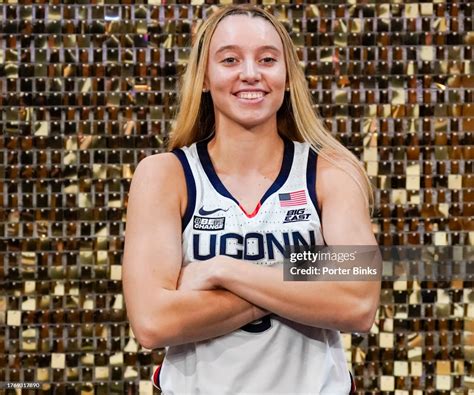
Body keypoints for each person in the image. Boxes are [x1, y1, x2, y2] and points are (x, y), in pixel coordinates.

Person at [122, 4, 380, 394]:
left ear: (287, 76)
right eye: (229, 59)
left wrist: (223, 270)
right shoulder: (165, 176)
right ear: (205, 78)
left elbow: (358, 305)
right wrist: (302, 279)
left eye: (267, 59)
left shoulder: (331, 173)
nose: (250, 73)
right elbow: (154, 323)